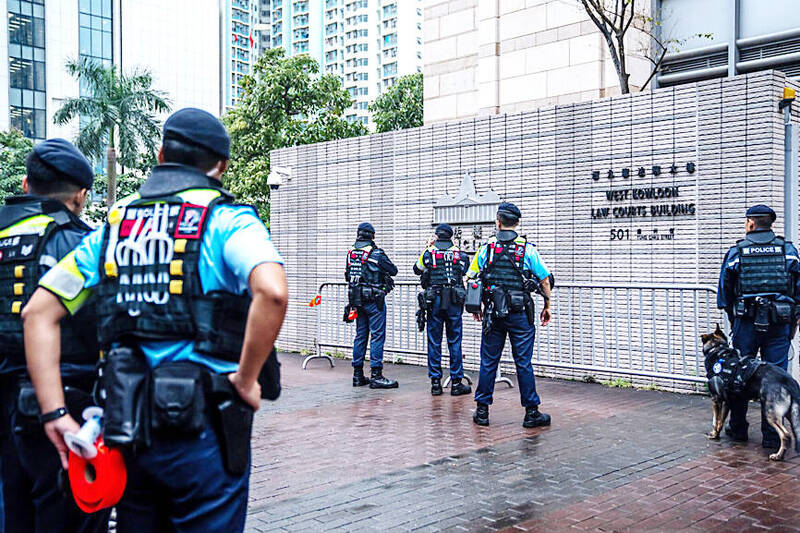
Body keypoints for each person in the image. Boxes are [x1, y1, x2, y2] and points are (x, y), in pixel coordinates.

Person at [22, 108, 289, 533]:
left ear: (161, 154)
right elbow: (272, 291)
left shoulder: (114, 224)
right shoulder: (228, 220)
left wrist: (55, 413)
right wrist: (246, 379)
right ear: (221, 165)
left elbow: (38, 311)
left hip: (127, 426)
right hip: (206, 429)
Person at [0, 139, 108, 533]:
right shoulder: (79, 242)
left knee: (14, 513)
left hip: (7, 400)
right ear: (81, 194)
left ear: (26, 184)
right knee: (70, 513)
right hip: (62, 404)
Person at [717, 204, 800, 449]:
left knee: (738, 375)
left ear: (751, 223)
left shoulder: (736, 252)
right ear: (771, 224)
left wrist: (735, 319)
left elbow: (724, 294)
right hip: (778, 325)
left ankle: (739, 429)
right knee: (775, 377)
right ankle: (772, 437)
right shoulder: (788, 251)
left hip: (746, 324)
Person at [466, 202, 553, 428]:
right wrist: (547, 305)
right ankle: (531, 413)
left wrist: (477, 307)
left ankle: (482, 411)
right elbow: (544, 279)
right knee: (523, 362)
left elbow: (471, 277)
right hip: (520, 314)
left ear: (498, 222)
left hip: (493, 314)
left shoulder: (486, 248)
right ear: (517, 223)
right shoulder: (528, 249)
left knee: (489, 362)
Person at [413, 223, 471, 396]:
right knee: (455, 341)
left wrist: (427, 247)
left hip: (434, 300)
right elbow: (468, 272)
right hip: (454, 300)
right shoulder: (460, 253)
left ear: (436, 236)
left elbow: (417, 269)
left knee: (434, 341)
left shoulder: (429, 253)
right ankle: (456, 383)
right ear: (452, 237)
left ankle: (436, 384)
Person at [345, 222, 399, 389]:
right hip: (374, 301)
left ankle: (357, 375)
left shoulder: (351, 254)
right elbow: (393, 270)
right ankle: (376, 375)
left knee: (360, 336)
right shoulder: (377, 254)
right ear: (372, 236)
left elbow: (348, 275)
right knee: (377, 336)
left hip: (357, 300)